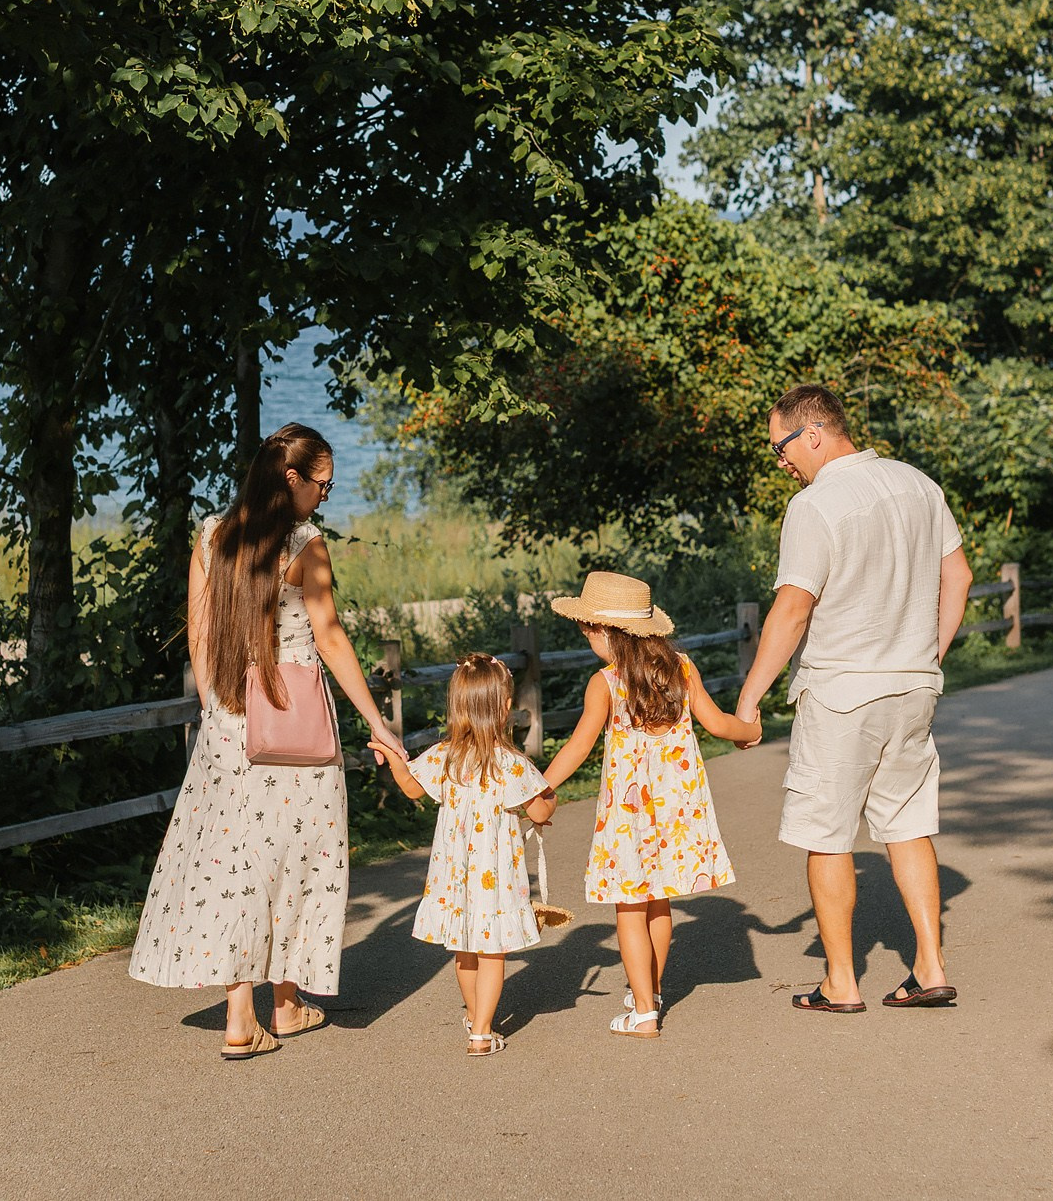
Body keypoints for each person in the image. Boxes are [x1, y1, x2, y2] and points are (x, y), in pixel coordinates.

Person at [129, 423, 406, 1059]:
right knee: (301, 858)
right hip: (297, 725)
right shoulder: (306, 545)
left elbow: (200, 634)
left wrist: (218, 712)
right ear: (292, 478)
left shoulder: (212, 536)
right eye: (323, 484)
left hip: (229, 722)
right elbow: (329, 637)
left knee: (237, 863)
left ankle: (253, 1011)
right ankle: (279, 1003)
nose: (325, 496)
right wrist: (376, 721)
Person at [733, 383, 971, 1013]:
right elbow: (959, 575)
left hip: (842, 692)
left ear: (813, 434)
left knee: (828, 834)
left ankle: (841, 982)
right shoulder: (919, 485)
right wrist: (930, 655)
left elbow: (792, 608)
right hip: (913, 686)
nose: (781, 461)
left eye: (782, 447)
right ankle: (930, 966)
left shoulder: (815, 505)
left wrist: (750, 698)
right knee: (908, 825)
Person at [535, 571, 761, 1038]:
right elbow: (719, 724)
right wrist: (751, 731)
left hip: (629, 815)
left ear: (607, 631)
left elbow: (577, 747)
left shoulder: (604, 683)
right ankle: (651, 992)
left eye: (588, 628)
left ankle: (643, 1014)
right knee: (659, 902)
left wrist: (536, 788)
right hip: (678, 809)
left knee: (629, 908)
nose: (586, 636)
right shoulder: (681, 668)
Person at [372, 653, 553, 1057]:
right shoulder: (512, 764)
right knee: (492, 951)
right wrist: (549, 800)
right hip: (496, 877)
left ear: (456, 706)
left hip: (453, 876)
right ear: (506, 707)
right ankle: (482, 1033)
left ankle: (475, 1019)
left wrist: (395, 759)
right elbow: (540, 811)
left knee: (464, 949)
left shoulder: (445, 756)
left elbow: (412, 788)